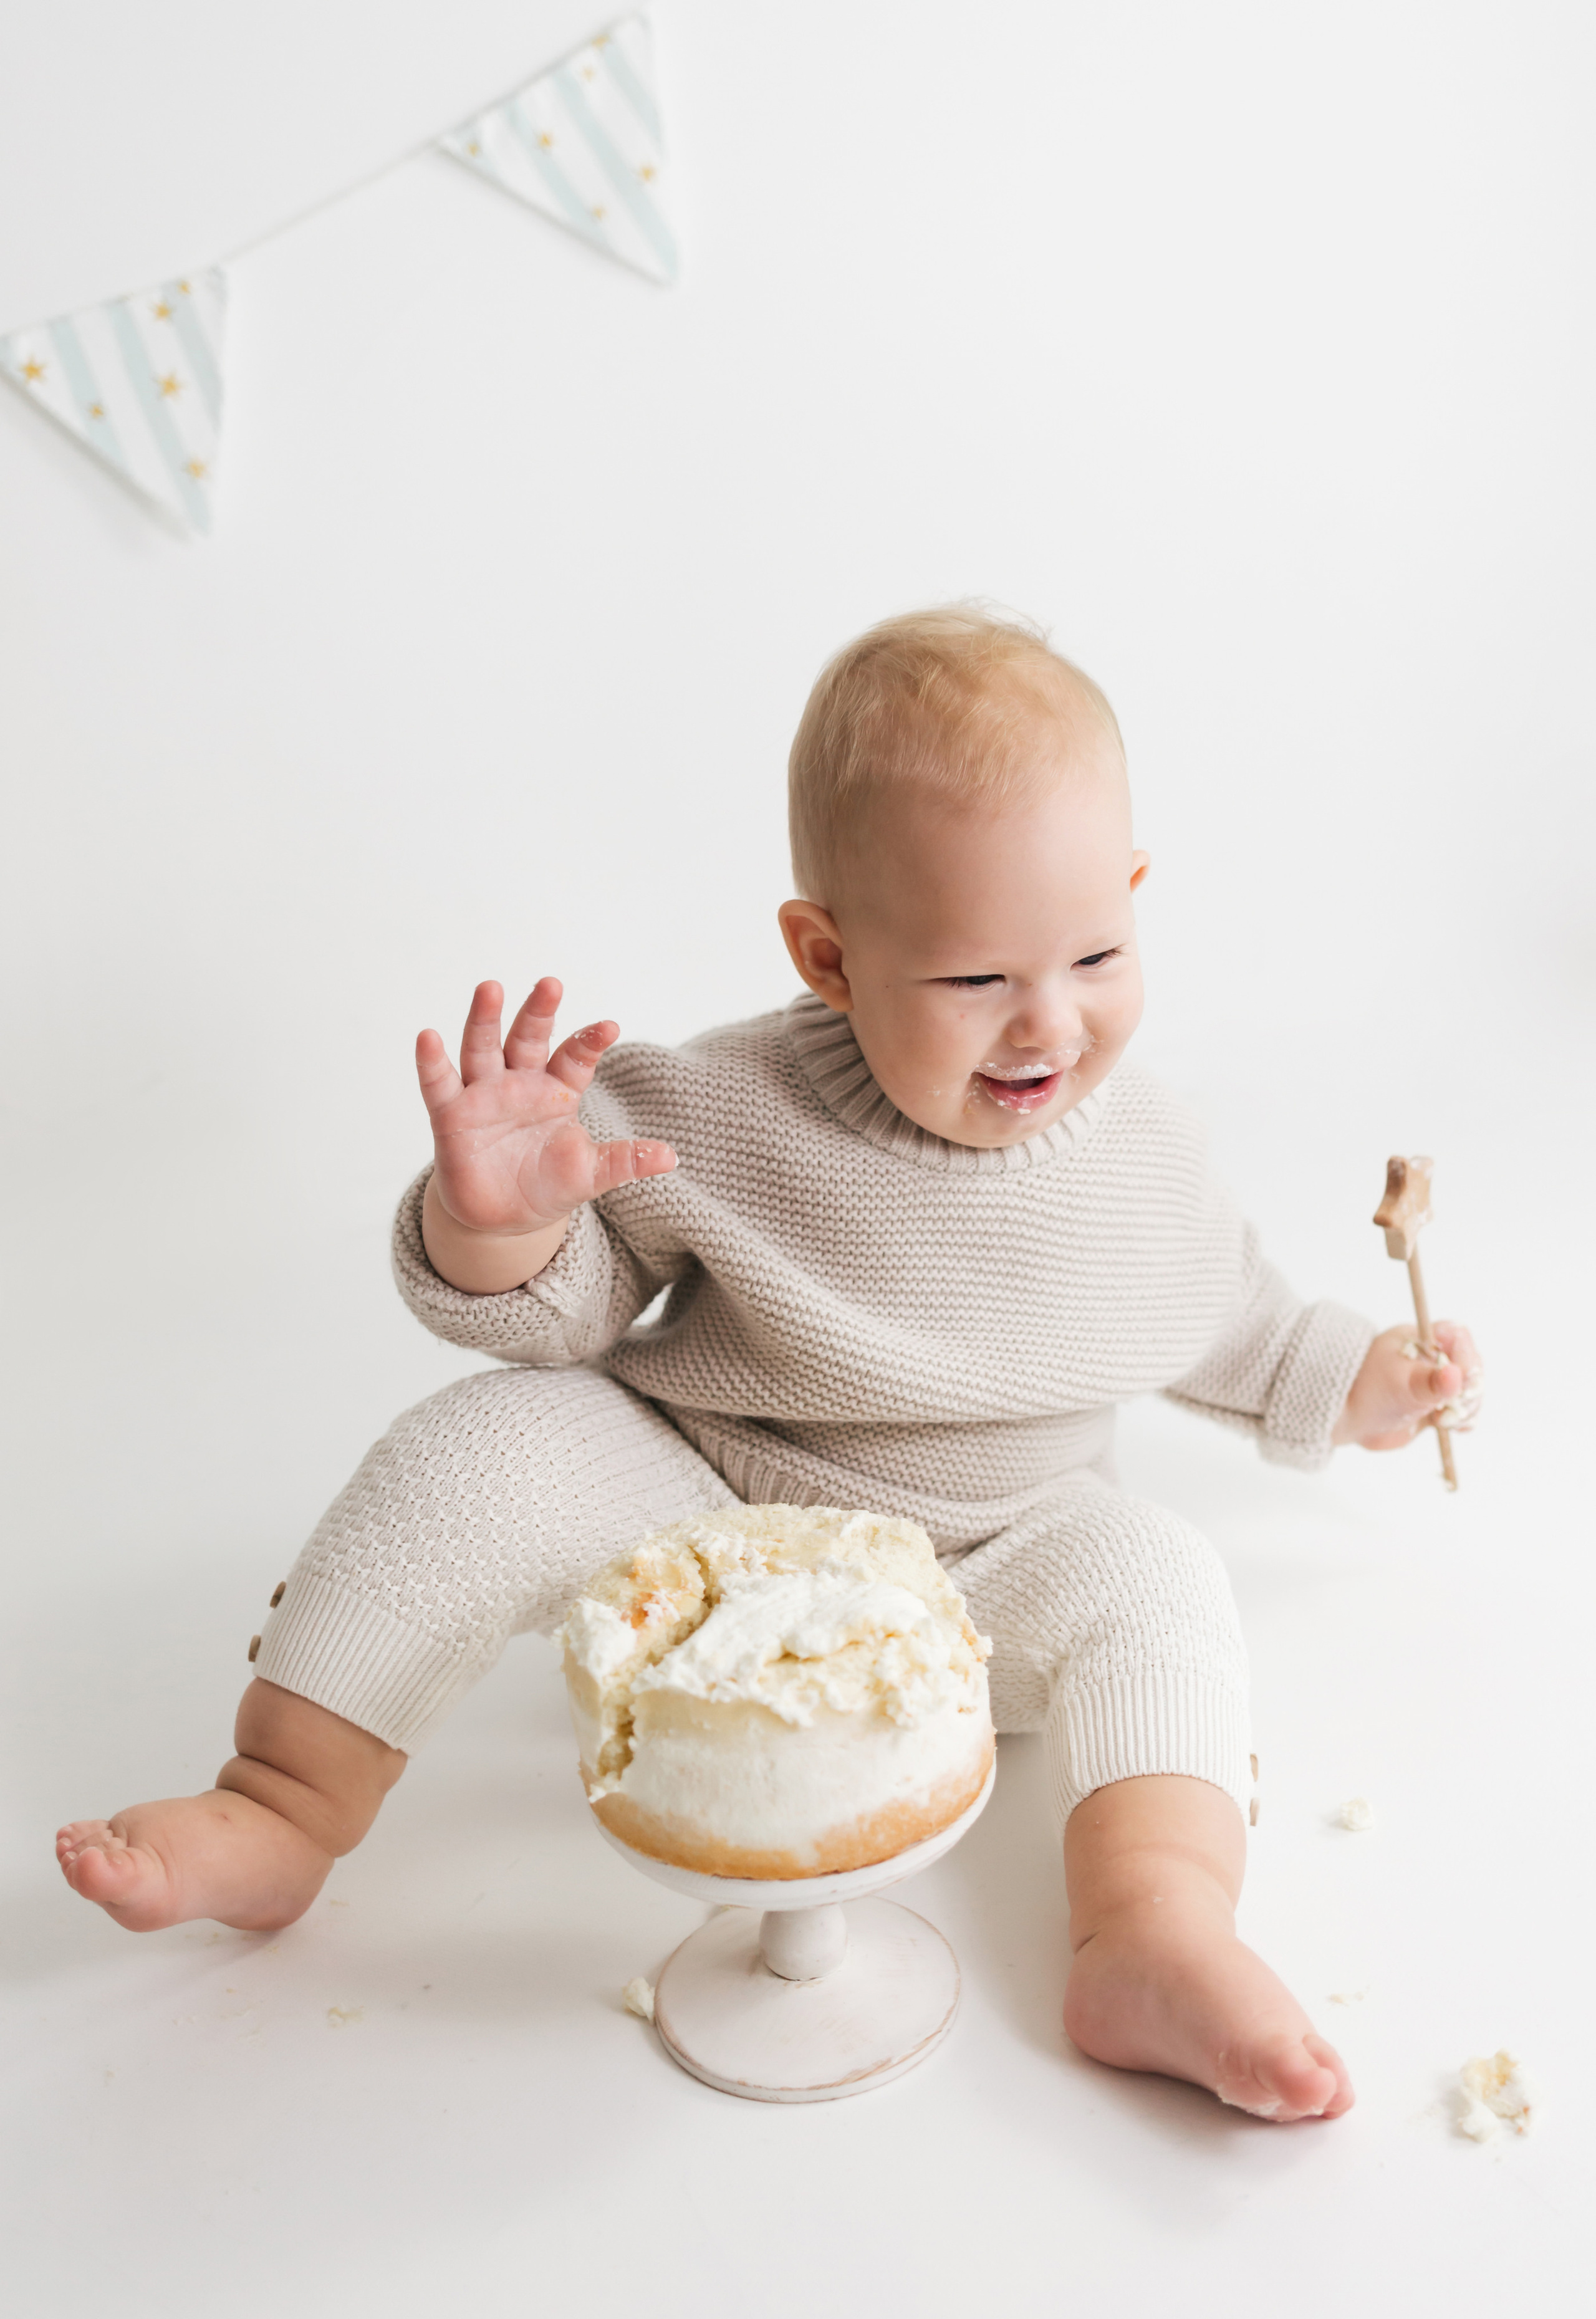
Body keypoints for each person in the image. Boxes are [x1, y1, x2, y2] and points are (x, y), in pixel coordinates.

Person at [57, 606, 1481, 2122]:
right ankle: (282, 1802)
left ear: (1133, 896)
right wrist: (501, 1226)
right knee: (477, 1447)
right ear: (828, 956)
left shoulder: (1145, 1163)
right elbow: (568, 1312)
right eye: (971, 980)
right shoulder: (716, 1109)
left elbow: (1228, 1314)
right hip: (712, 1518)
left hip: (993, 1564)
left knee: (1160, 1577)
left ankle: (1153, 1927)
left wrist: (1359, 1381)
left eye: (1094, 955)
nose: (1045, 1022)